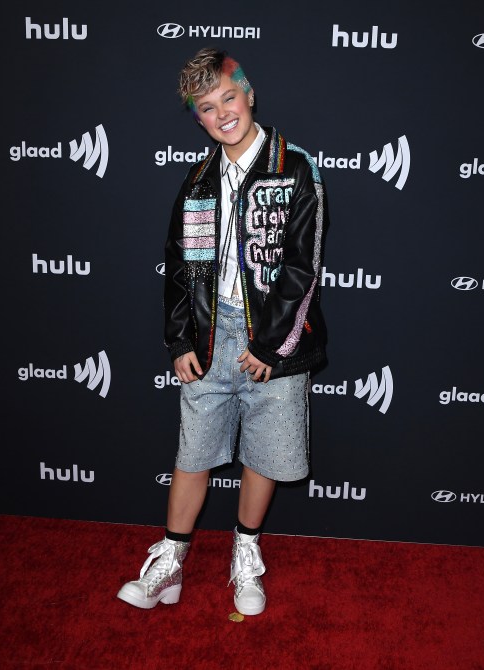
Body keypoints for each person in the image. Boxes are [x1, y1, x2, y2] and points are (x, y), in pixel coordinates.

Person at [117, 48, 327, 616]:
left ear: (249, 94)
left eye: (228, 98)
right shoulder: (198, 180)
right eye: (206, 108)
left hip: (273, 341)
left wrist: (269, 345)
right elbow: (181, 266)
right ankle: (170, 563)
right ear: (198, 118)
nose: (221, 114)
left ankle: (246, 553)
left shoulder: (294, 167)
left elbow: (302, 269)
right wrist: (180, 339)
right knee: (193, 451)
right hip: (211, 335)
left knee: (267, 451)